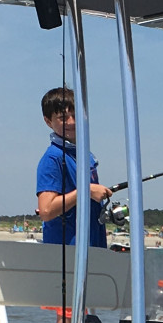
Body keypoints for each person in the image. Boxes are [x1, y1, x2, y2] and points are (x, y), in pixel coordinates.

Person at [36, 85, 111, 248]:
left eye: (75, 115)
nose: (71, 122)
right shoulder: (52, 158)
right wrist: (87, 191)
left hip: (93, 248)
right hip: (68, 254)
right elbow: (46, 211)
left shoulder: (85, 157)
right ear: (48, 121)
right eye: (63, 118)